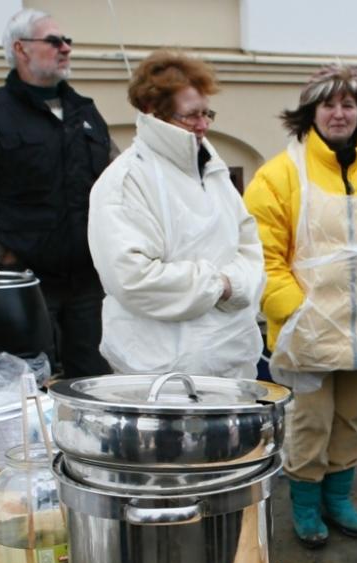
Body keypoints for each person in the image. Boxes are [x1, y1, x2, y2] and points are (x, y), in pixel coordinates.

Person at [244, 61, 357, 548]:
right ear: (310, 112)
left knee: (350, 419)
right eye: (328, 104)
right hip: (308, 329)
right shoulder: (279, 175)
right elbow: (263, 256)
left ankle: (338, 497)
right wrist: (294, 310)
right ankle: (305, 503)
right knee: (311, 421)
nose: (339, 113)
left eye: (348, 104)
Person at [0, 9, 114, 379]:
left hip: (89, 284)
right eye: (54, 41)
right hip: (26, 285)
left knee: (95, 383)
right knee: (33, 383)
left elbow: (118, 183)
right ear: (20, 49)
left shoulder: (85, 112)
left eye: (67, 41)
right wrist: (1, 252)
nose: (66, 48)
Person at [87, 52, 264, 378]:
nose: (203, 125)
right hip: (160, 375)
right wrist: (219, 285)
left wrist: (234, 284)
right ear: (152, 112)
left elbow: (249, 246)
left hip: (232, 362)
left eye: (206, 113)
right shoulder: (125, 182)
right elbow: (132, 278)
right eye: (191, 116)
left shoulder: (213, 170)